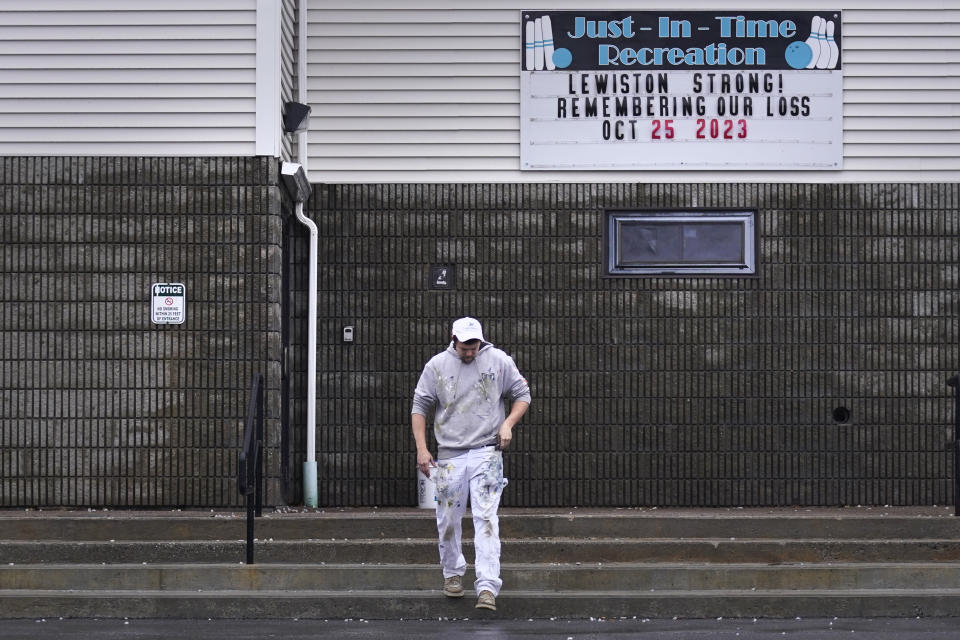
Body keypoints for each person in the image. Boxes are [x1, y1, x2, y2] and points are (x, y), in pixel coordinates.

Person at [411, 317, 531, 611]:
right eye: (465, 346)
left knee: (487, 518)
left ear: (480, 340)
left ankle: (488, 586)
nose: (469, 352)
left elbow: (522, 395)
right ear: (454, 339)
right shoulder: (437, 365)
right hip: (450, 454)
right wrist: (422, 449)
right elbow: (419, 407)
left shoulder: (498, 360)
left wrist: (508, 424)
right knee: (448, 519)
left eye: (474, 345)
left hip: (487, 453)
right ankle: (452, 574)